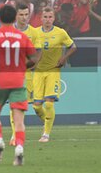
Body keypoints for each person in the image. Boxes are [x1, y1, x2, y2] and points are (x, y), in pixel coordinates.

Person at [0, 5, 38, 166]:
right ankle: (19, 148)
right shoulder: (21, 36)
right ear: (15, 18)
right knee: (19, 119)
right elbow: (34, 58)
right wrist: (22, 67)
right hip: (17, 80)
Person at [33, 7, 77, 142]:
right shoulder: (34, 32)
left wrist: (64, 58)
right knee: (36, 106)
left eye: (50, 17)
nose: (47, 20)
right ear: (41, 18)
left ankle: (46, 134)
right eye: (45, 17)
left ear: (54, 18)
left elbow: (73, 46)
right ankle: (47, 121)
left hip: (53, 71)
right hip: (38, 72)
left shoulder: (60, 33)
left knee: (49, 104)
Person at [9, 4, 42, 146]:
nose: (24, 17)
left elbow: (38, 53)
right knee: (13, 105)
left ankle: (45, 123)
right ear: (16, 15)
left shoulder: (34, 32)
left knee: (32, 107)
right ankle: (15, 134)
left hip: (28, 75)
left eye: (26, 14)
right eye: (21, 14)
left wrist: (28, 64)